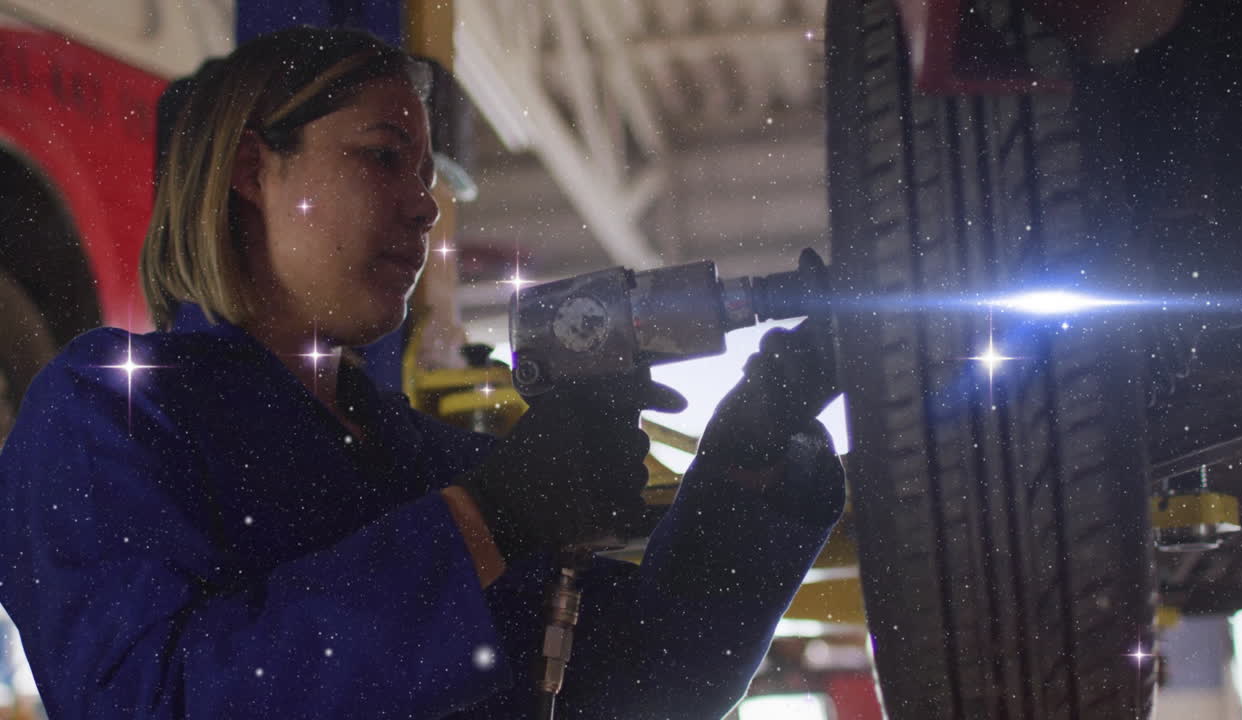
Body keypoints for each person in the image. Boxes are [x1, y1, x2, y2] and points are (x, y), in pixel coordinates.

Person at [0, 26, 846, 719]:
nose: (426, 203)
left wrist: (752, 457)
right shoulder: (108, 413)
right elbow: (158, 700)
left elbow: (646, 686)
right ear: (251, 172)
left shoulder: (426, 460)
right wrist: (484, 522)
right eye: (381, 156)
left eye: (427, 173)